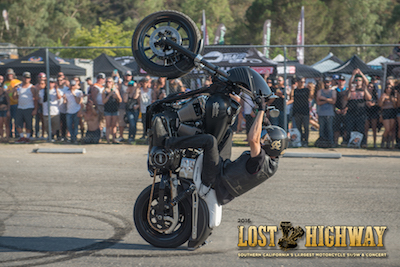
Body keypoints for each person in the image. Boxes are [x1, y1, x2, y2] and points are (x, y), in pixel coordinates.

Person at [160, 95, 286, 206]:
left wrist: (262, 110)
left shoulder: (260, 159)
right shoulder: (271, 162)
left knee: (210, 141)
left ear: (272, 145)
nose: (263, 139)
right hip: (224, 175)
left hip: (216, 181)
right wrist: (262, 115)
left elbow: (253, 139)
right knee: (227, 133)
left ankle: (168, 142)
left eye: (266, 139)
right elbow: (262, 135)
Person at [345, 68, 371, 147]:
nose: (357, 82)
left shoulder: (363, 89)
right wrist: (353, 75)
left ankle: (363, 143)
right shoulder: (352, 88)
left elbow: (368, 98)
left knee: (361, 129)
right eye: (356, 80)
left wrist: (361, 74)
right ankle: (348, 142)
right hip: (351, 112)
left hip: (361, 112)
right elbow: (349, 85)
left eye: (359, 80)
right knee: (349, 128)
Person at [13, 72, 37, 144]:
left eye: (28, 78)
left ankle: (28, 137)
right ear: (22, 78)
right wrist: (15, 91)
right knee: (17, 123)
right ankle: (22, 137)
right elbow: (15, 97)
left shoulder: (32, 87)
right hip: (20, 107)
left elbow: (35, 99)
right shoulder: (19, 87)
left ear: (30, 79)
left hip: (29, 107)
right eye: (25, 77)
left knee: (28, 123)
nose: (26, 79)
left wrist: (35, 109)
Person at [290, 76, 310, 147]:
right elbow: (291, 98)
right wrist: (292, 89)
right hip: (297, 112)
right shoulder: (295, 90)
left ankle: (306, 141)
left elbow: (310, 97)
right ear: (297, 82)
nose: (302, 83)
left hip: (305, 112)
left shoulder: (306, 90)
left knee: (306, 127)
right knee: (298, 128)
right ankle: (301, 140)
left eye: (304, 82)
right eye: (301, 82)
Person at [316, 77, 337, 146]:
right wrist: (328, 100)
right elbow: (318, 102)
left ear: (330, 83)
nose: (326, 84)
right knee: (321, 128)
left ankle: (330, 142)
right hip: (321, 113)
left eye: (328, 82)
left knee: (329, 128)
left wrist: (323, 99)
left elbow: (333, 101)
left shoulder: (333, 91)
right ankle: (322, 142)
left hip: (330, 113)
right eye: (325, 82)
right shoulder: (320, 91)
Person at [102, 77, 122, 144]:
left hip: (114, 109)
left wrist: (116, 97)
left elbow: (120, 100)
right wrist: (109, 95)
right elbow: (104, 101)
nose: (108, 83)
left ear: (112, 82)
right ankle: (108, 139)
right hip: (107, 109)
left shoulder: (115, 90)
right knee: (108, 125)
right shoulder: (104, 91)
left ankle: (113, 139)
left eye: (110, 82)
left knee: (114, 125)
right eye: (107, 82)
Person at [3, 68, 21, 139]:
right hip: (8, 104)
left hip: (16, 103)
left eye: (10, 74)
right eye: (8, 74)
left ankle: (16, 133)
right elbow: (4, 92)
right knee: (9, 119)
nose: (9, 75)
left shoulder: (18, 82)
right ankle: (10, 133)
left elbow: (19, 92)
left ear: (13, 75)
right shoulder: (5, 83)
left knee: (16, 119)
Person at [64, 79, 83, 144]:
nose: (72, 87)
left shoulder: (79, 92)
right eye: (71, 85)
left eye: (73, 85)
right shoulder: (66, 93)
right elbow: (65, 102)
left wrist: (74, 94)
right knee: (69, 125)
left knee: (75, 125)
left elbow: (79, 102)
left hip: (76, 111)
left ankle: (75, 138)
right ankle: (72, 138)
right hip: (69, 111)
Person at [378, 83, 397, 148]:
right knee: (387, 129)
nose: (388, 89)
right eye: (387, 88)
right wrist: (382, 99)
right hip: (385, 111)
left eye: (390, 88)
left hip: (392, 111)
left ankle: (388, 143)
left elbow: (395, 106)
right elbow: (380, 105)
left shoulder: (393, 96)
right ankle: (383, 140)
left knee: (391, 129)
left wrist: (393, 101)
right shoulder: (383, 95)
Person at [116, 71, 133, 142]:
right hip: (122, 106)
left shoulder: (133, 84)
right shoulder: (121, 85)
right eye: (126, 75)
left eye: (129, 75)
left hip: (130, 106)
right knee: (121, 122)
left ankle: (130, 137)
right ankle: (121, 136)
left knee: (131, 123)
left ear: (131, 76)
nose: (127, 77)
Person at [333, 75, 348, 147]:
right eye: (339, 81)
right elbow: (333, 102)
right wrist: (336, 109)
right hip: (337, 111)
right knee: (336, 128)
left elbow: (350, 102)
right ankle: (336, 142)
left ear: (344, 82)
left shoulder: (347, 91)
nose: (341, 82)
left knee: (345, 127)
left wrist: (346, 109)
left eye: (342, 81)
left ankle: (344, 142)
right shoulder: (335, 91)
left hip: (345, 111)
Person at [365, 82, 380, 148]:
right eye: (369, 86)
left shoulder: (375, 95)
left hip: (374, 112)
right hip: (367, 112)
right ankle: (365, 142)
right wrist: (366, 103)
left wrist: (374, 104)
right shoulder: (365, 94)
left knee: (374, 128)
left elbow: (379, 103)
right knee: (366, 128)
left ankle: (374, 143)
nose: (370, 88)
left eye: (371, 87)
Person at [57, 73, 71, 141]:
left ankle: (63, 135)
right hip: (57, 109)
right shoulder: (55, 89)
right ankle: (57, 136)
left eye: (61, 80)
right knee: (57, 123)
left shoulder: (66, 89)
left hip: (65, 108)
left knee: (64, 123)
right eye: (58, 80)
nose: (60, 82)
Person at [92, 73, 106, 138]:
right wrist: (96, 105)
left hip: (103, 105)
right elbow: (94, 97)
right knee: (98, 120)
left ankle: (102, 133)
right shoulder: (95, 86)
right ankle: (99, 134)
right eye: (102, 79)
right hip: (99, 105)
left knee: (102, 121)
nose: (103, 80)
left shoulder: (103, 86)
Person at [34, 72, 47, 139]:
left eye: (42, 77)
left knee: (43, 121)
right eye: (40, 77)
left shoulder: (46, 86)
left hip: (44, 105)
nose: (41, 79)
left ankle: (43, 134)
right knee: (37, 121)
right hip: (38, 104)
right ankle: (37, 134)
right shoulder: (36, 86)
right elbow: (35, 97)